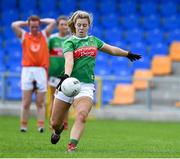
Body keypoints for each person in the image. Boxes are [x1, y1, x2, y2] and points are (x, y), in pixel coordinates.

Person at [50, 10, 141, 152]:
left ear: (88, 26)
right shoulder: (69, 42)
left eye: (84, 25)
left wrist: (127, 54)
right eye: (79, 25)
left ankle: (72, 146)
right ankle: (58, 130)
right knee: (55, 122)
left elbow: (112, 49)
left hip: (85, 86)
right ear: (74, 25)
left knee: (81, 115)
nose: (81, 28)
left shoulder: (93, 41)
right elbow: (69, 61)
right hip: (67, 83)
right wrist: (66, 76)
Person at [11, 15, 56, 133]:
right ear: (29, 26)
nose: (34, 29)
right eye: (32, 27)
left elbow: (53, 22)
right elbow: (14, 25)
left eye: (36, 26)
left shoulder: (44, 35)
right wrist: (26, 23)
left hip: (41, 70)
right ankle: (23, 126)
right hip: (27, 70)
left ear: (39, 25)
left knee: (40, 102)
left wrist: (41, 21)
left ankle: (40, 126)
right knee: (26, 102)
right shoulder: (24, 36)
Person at [48, 16, 69, 130]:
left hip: (66, 74)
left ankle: (64, 124)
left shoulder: (71, 39)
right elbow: (46, 55)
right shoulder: (52, 39)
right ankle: (53, 123)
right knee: (54, 99)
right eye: (62, 24)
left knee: (66, 100)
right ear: (57, 26)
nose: (64, 26)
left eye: (66, 24)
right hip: (54, 73)